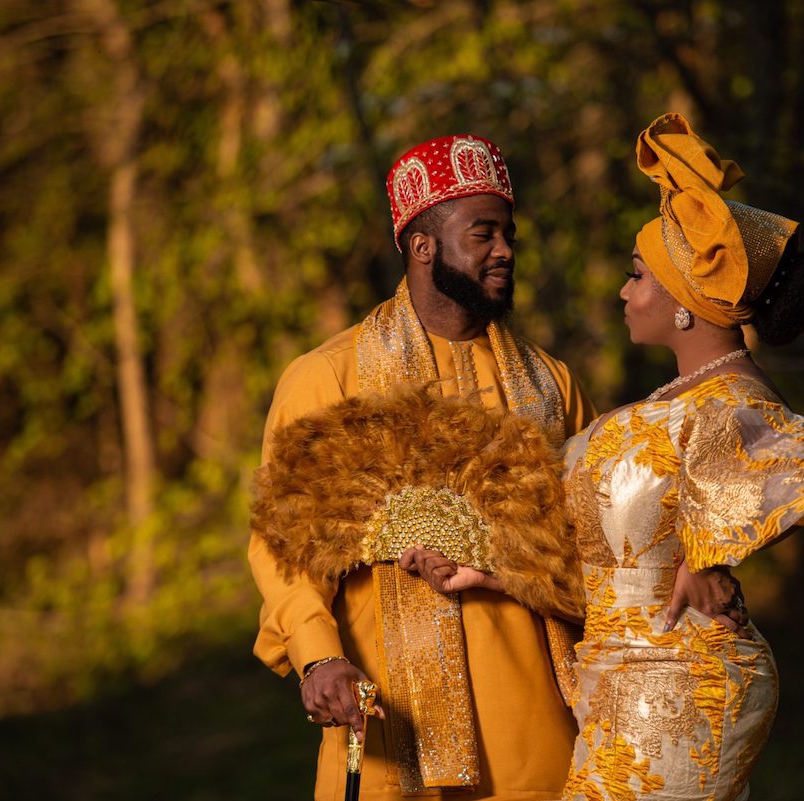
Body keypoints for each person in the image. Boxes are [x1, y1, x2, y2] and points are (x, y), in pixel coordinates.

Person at [403, 113, 804, 801]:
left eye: (637, 276)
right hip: (615, 681)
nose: (625, 292)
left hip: (685, 680)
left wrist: (712, 550)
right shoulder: (663, 403)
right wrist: (490, 571)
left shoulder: (730, 402)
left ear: (685, 303)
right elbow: (609, 563)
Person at [248, 133, 597, 801]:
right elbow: (284, 545)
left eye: (509, 233)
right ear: (422, 245)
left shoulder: (551, 383)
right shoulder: (329, 377)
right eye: (483, 233)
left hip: (541, 737)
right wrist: (319, 656)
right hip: (389, 729)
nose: (505, 249)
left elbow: (604, 538)